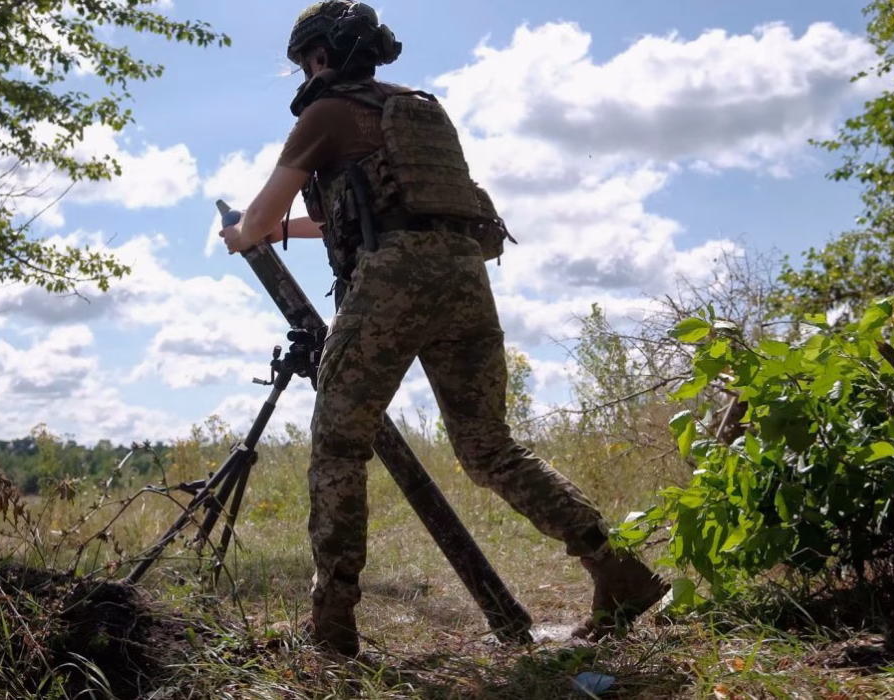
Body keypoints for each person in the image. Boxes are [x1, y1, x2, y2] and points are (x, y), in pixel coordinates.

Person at [218, 0, 669, 658]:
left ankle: (332, 623)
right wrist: (290, 229)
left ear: (319, 55)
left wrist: (245, 234)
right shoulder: (416, 110)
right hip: (462, 275)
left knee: (340, 443)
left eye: (302, 61)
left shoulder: (325, 114)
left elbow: (257, 221)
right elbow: (387, 203)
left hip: (393, 277)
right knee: (490, 448)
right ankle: (617, 569)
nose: (301, 74)